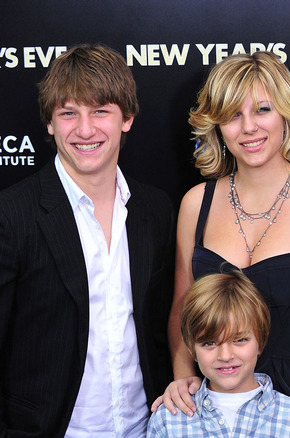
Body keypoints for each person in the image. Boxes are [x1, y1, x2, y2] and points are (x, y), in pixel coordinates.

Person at [155, 51, 290, 438]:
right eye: (233, 115)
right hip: (216, 408)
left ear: (285, 115)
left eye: (262, 109)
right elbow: (181, 312)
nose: (249, 128)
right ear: (217, 126)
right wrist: (183, 383)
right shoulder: (196, 205)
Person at [0, 44, 175, 437]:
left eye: (100, 111)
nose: (84, 130)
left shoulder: (154, 209)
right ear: (50, 123)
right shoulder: (12, 215)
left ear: (126, 118)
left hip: (145, 427)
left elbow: (163, 325)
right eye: (68, 113)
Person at [147, 270, 290, 437]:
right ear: (192, 350)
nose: (225, 356)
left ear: (260, 340)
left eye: (240, 340)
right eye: (209, 343)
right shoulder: (168, 420)